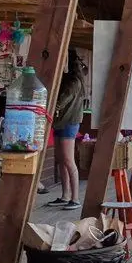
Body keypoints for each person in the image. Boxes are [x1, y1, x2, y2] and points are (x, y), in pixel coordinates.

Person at [49, 49, 86, 210]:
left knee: (68, 160)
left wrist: (46, 110)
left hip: (69, 122)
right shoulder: (71, 79)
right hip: (61, 122)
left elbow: (61, 102)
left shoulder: (74, 81)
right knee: (61, 159)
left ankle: (75, 198)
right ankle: (65, 195)